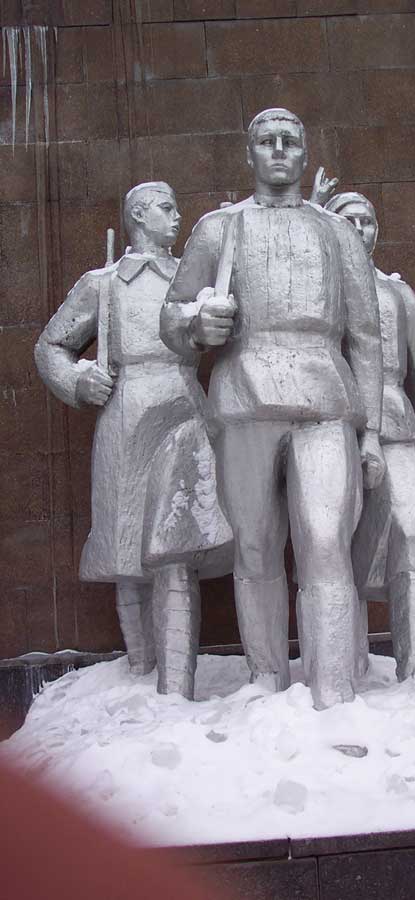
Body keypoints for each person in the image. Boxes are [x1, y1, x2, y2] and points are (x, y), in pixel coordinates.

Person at [161, 109, 385, 710]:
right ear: (250, 153)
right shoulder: (219, 228)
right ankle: (266, 676)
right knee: (256, 546)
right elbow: (173, 315)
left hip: (325, 399)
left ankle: (333, 686)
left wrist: (371, 432)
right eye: (267, 141)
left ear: (305, 154)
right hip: (244, 398)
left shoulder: (336, 233)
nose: (279, 150)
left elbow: (366, 337)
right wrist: (197, 325)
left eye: (290, 141)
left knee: (325, 543)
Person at [35, 182, 232, 700]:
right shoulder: (102, 284)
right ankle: (142, 669)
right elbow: (50, 346)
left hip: (183, 408)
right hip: (125, 415)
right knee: (125, 546)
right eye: (166, 208)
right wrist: (79, 380)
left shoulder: (192, 280)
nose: (177, 217)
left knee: (176, 543)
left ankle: (175, 684)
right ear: (139, 215)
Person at [323, 190, 415, 681]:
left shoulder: (398, 294)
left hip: (397, 422)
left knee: (412, 536)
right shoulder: (318, 289)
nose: (360, 230)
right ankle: (345, 668)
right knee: (332, 546)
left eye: (367, 221)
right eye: (348, 221)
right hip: (333, 423)